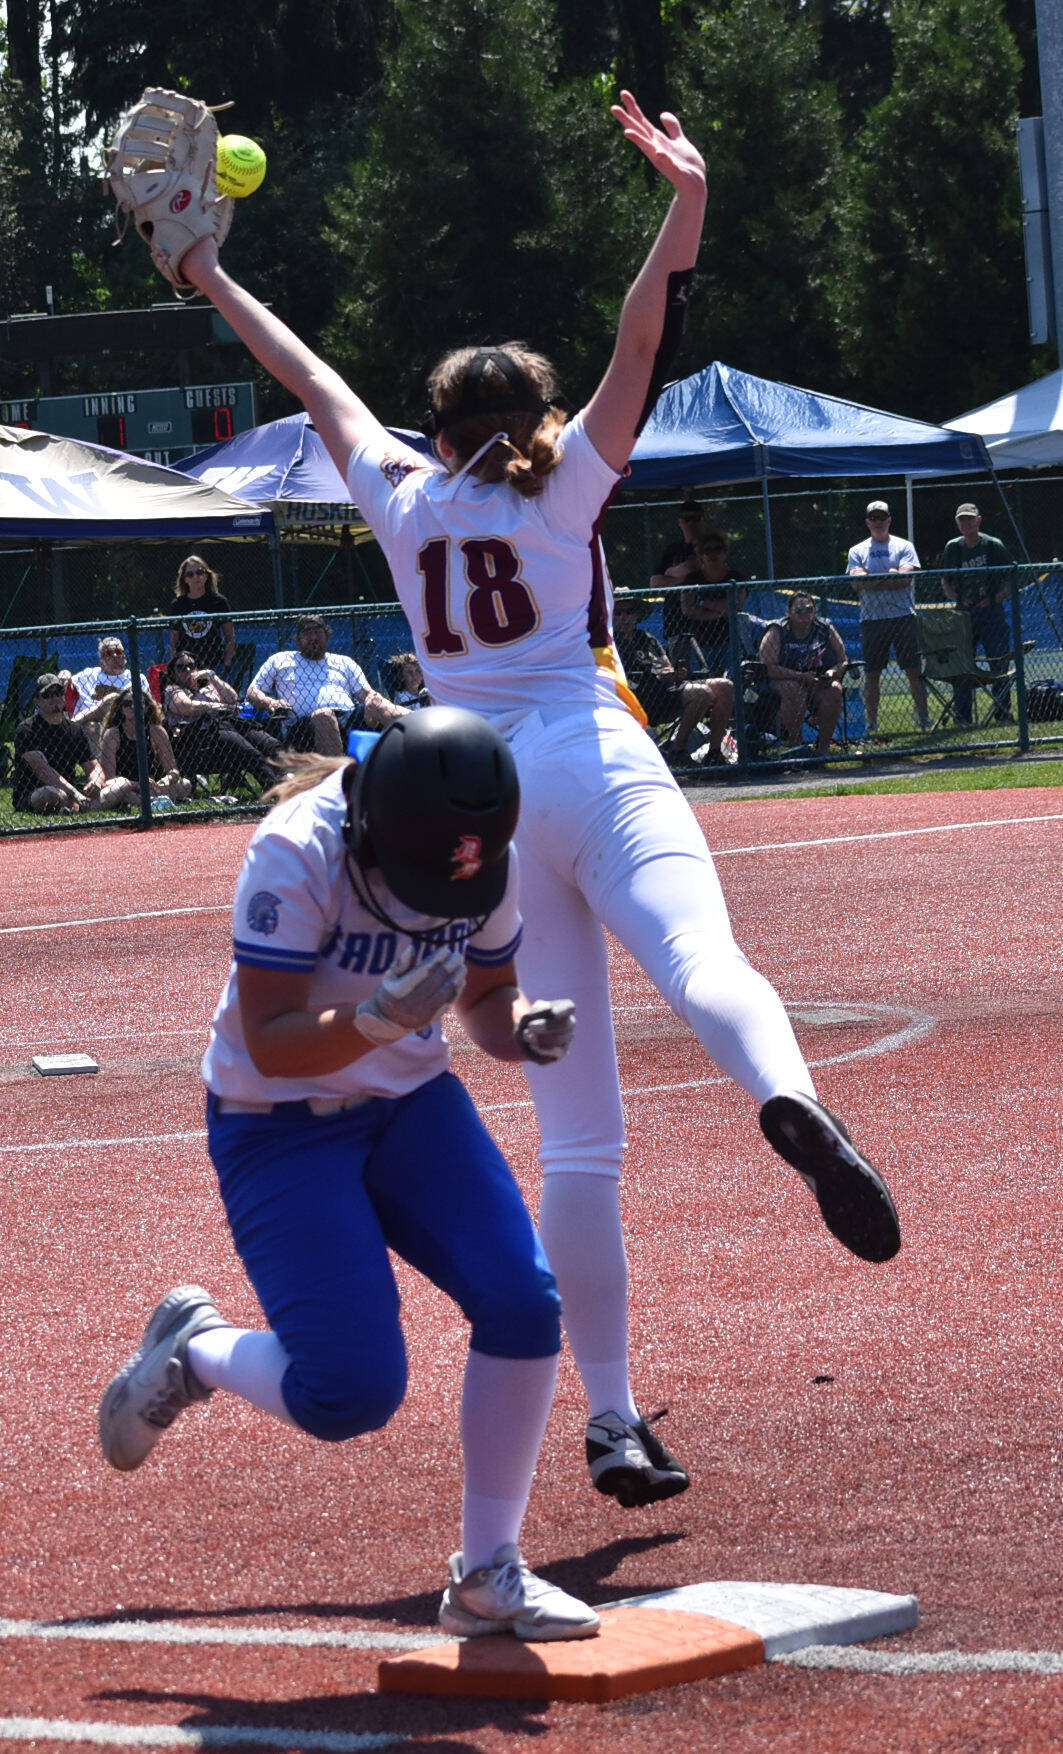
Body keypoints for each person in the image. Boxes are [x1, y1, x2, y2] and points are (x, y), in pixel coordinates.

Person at [178, 89, 901, 1514]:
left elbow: (309, 375)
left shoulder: (402, 491)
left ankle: (616, 1418)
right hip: (593, 748)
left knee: (578, 1139)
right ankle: (787, 1098)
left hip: (478, 802)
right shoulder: (562, 487)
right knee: (706, 963)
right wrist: (681, 198)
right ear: (537, 417)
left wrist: (205, 270)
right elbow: (646, 336)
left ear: (435, 423)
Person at [97, 707, 599, 1643]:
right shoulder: (294, 851)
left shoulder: (478, 855)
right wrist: (373, 1018)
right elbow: (271, 1042)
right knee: (348, 1396)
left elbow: (488, 998)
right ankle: (196, 1349)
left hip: (411, 1106)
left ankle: (487, 1573)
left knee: (525, 1300)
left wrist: (522, 1029)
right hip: (278, 1123)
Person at [246, 615, 404, 753]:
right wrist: (272, 703)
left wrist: (373, 699)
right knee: (324, 714)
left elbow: (366, 694)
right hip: (304, 725)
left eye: (317, 632)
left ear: (327, 635)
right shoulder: (281, 659)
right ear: (298, 639)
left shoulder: (344, 662)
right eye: (307, 633)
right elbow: (252, 691)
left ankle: (421, 734)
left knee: (377, 701)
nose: (313, 637)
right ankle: (337, 781)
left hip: (348, 717)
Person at [611, 595, 731, 769]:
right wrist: (654, 675)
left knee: (724, 686)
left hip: (664, 691)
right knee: (701, 693)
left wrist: (673, 673)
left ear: (637, 615)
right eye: (619, 613)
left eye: (629, 612)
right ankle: (677, 752)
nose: (624, 618)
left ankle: (714, 753)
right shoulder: (609, 643)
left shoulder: (646, 638)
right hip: (636, 698)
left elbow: (664, 665)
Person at [845, 500, 929, 736]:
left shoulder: (904, 546)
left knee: (914, 669)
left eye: (882, 517)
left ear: (890, 520)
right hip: (872, 620)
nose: (878, 522)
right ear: (867, 522)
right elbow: (856, 583)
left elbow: (905, 579)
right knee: (872, 673)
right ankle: (872, 723)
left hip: (903, 616)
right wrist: (889, 576)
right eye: (874, 518)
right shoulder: (857, 550)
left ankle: (923, 717)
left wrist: (873, 579)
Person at [940, 502, 1016, 725]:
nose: (966, 523)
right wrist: (957, 598)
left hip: (992, 614)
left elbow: (1011, 578)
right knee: (962, 664)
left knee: (999, 663)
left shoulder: (994, 545)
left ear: (979, 520)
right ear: (957, 523)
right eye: (962, 519)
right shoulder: (952, 547)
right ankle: (963, 716)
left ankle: (1003, 713)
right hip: (963, 616)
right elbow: (944, 580)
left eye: (970, 519)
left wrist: (994, 599)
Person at [164, 652, 281, 794]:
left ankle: (291, 779)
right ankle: (275, 788)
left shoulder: (209, 687)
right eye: (181, 667)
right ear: (174, 673)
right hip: (202, 739)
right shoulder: (173, 690)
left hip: (230, 725)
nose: (188, 670)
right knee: (248, 751)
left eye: (191, 665)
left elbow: (232, 698)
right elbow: (188, 707)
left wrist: (212, 676)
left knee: (269, 743)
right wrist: (219, 707)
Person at [758, 593, 851, 755]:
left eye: (809, 609)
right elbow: (768, 667)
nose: (804, 613)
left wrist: (830, 673)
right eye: (798, 609)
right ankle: (797, 748)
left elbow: (843, 660)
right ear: (789, 612)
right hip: (782, 680)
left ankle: (823, 749)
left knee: (834, 689)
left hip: (817, 680)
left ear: (814, 611)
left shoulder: (825, 628)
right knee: (793, 688)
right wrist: (800, 676)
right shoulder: (777, 630)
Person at [12, 673, 105, 813]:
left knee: (118, 785)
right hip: (36, 791)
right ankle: (76, 806)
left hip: (74, 791)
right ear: (37, 700)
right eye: (47, 695)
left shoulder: (75, 729)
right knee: (51, 794)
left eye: (58, 693)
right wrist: (75, 793)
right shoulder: (27, 729)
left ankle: (74, 806)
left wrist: (95, 782)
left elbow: (93, 767)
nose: (54, 699)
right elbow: (44, 772)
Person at [98, 688, 193, 809]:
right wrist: (138, 785)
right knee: (119, 790)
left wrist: (167, 779)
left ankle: (149, 802)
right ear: (121, 709)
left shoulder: (156, 730)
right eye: (127, 704)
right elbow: (109, 778)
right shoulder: (113, 734)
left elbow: (173, 770)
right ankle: (152, 803)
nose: (133, 706)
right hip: (124, 786)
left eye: (138, 702)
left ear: (146, 707)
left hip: (151, 786)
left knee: (185, 784)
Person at [67, 636, 151, 758]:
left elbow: (147, 705)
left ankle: (70, 726)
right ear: (101, 661)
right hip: (93, 724)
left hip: (124, 721)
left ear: (125, 657)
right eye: (109, 653)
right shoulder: (89, 675)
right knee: (93, 726)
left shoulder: (136, 678)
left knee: (112, 700)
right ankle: (101, 771)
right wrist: (65, 674)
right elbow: (68, 679)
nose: (115, 656)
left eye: (119, 652)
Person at [168, 555, 237, 674]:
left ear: (206, 575)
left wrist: (227, 663)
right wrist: (178, 667)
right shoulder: (177, 605)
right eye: (190, 574)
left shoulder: (219, 602)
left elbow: (230, 637)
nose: (196, 577)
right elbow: (174, 642)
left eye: (199, 572)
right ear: (185, 579)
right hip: (187, 667)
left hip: (215, 665)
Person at [650, 499, 705, 643]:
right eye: (687, 519)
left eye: (696, 519)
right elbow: (655, 582)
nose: (691, 523)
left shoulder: (710, 545)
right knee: (680, 663)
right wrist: (686, 579)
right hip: (675, 621)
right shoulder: (672, 549)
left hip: (706, 622)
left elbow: (694, 566)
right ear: (680, 522)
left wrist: (670, 572)